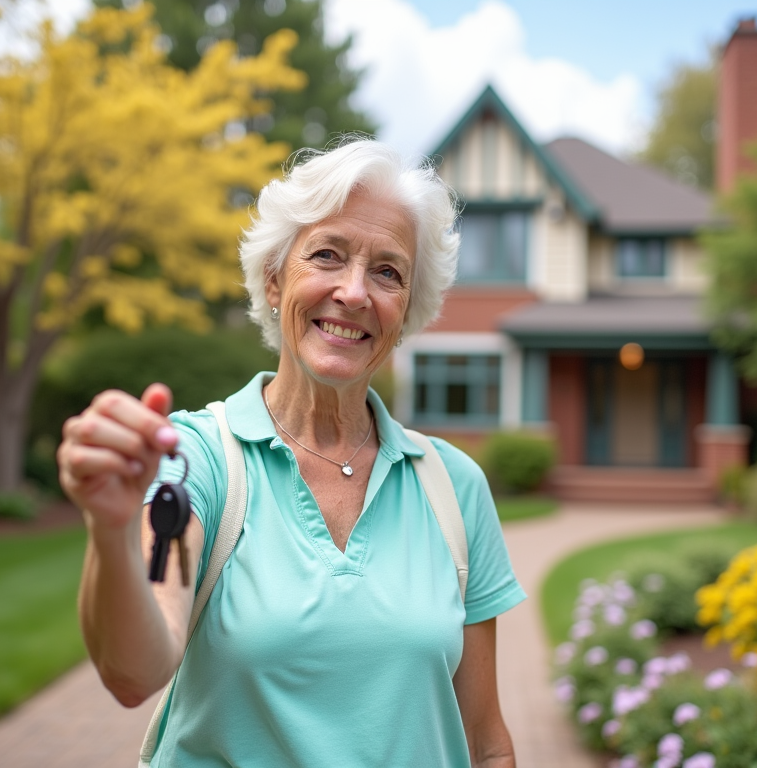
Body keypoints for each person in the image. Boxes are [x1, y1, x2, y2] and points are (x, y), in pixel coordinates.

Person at [57, 139, 527, 768]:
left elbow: (487, 743)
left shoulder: (453, 486)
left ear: (406, 311)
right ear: (275, 280)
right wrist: (110, 528)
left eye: (388, 271)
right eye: (327, 255)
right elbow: (133, 672)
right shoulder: (196, 456)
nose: (355, 292)